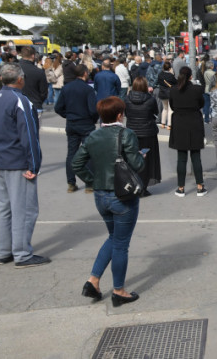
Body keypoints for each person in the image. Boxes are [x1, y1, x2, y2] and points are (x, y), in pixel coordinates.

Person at [72, 96, 145, 306]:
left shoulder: (93, 136)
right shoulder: (126, 134)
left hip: (100, 194)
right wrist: (141, 156)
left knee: (113, 237)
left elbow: (76, 163)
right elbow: (137, 165)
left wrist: (92, 180)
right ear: (120, 115)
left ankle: (93, 280)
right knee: (121, 244)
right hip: (122, 195)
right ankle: (119, 290)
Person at [0, 63, 47, 268]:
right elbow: (29, 135)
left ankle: (3, 251)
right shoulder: (21, 101)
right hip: (17, 162)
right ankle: (22, 253)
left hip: (0, 161)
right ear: (20, 79)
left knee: (4, 207)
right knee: (25, 209)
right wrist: (34, 165)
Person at [55, 65, 98, 193]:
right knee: (88, 153)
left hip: (72, 123)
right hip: (86, 123)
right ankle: (89, 183)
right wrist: (93, 119)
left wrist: (67, 115)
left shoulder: (66, 88)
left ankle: (71, 183)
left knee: (71, 154)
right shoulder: (88, 89)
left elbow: (58, 107)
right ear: (85, 73)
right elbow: (93, 109)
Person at [169, 66, 207, 197]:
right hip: (194, 122)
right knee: (196, 156)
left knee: (181, 157)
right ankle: (200, 186)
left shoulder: (173, 90)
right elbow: (201, 104)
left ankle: (181, 188)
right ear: (191, 76)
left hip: (179, 123)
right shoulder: (197, 89)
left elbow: (172, 106)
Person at [124, 76, 161, 193]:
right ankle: (143, 186)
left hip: (131, 132)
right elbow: (155, 112)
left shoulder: (127, 99)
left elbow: (126, 113)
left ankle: (133, 183)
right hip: (147, 133)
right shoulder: (150, 100)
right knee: (147, 160)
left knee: (132, 159)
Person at [18, 47, 47, 111]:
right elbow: (44, 92)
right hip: (35, 103)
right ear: (33, 56)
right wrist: (38, 101)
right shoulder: (39, 71)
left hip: (17, 104)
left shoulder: (14, 68)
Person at [156, 61, 176, 130]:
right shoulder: (171, 76)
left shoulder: (160, 74)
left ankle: (163, 123)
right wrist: (173, 73)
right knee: (170, 109)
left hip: (162, 93)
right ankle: (169, 125)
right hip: (170, 93)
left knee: (164, 108)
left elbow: (158, 82)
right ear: (170, 68)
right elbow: (175, 83)